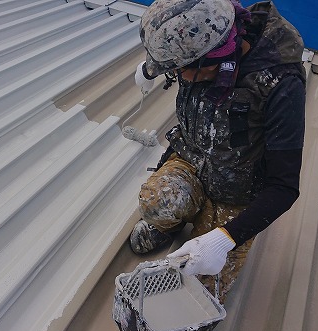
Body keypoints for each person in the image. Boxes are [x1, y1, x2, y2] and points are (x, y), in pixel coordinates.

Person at [130, 0, 306, 303]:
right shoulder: (204, 44)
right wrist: (151, 68)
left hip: (239, 191)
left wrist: (224, 239)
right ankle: (175, 219)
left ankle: (211, 232)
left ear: (215, 58)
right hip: (196, 161)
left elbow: (284, 188)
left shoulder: (281, 84)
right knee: (156, 200)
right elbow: (189, 122)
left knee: (197, 293)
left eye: (179, 70)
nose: (179, 78)